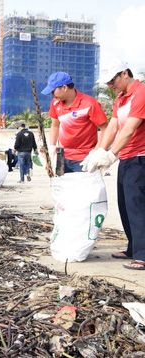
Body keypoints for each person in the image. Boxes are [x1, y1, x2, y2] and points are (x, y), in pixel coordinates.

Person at [82, 61, 145, 270]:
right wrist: (99, 150)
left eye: (113, 80)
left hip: (140, 157)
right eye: (108, 83)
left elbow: (129, 130)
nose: (111, 85)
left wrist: (110, 155)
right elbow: (113, 127)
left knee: (137, 206)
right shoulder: (120, 99)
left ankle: (143, 255)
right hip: (126, 158)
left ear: (125, 73)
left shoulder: (141, 93)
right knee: (125, 206)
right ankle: (133, 247)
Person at [41, 72, 108, 173]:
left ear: (64, 87)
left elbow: (105, 129)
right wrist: (52, 147)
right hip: (62, 156)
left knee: (82, 188)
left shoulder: (90, 104)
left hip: (83, 158)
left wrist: (97, 151)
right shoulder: (55, 103)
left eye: (53, 91)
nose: (52, 95)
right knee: (62, 187)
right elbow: (55, 125)